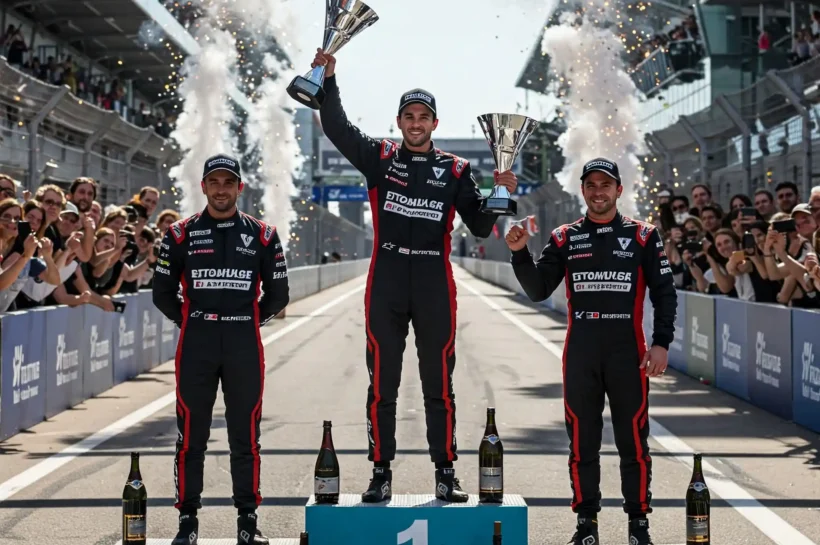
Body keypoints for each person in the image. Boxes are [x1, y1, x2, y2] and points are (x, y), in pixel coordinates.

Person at [313, 47, 516, 503]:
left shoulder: (457, 170)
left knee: (437, 383)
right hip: (385, 277)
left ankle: (445, 470)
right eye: (409, 115)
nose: (416, 122)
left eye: (424, 115)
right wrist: (330, 80)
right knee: (382, 381)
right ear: (399, 122)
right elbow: (337, 127)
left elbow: (481, 225)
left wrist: (499, 195)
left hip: (433, 280)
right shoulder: (380, 157)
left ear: (435, 124)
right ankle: (380, 471)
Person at [504, 158, 676, 545]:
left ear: (619, 190)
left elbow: (665, 294)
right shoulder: (564, 237)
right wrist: (519, 254)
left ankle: (638, 525)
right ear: (582, 190)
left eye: (606, 185)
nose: (599, 191)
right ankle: (587, 524)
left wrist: (662, 343)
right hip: (581, 353)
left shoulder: (644, 236)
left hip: (627, 354)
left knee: (634, 442)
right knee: (583, 442)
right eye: (591, 185)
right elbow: (537, 289)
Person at [152, 153, 290, 545]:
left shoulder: (263, 234)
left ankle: (247, 519)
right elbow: (161, 292)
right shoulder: (179, 234)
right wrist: (191, 319)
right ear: (204, 187)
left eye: (229, 182)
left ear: (239, 188)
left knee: (244, 435)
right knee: (191, 435)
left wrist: (247, 320)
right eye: (215, 182)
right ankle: (187, 520)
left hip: (243, 343)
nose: (222, 189)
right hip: (197, 342)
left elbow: (278, 293)